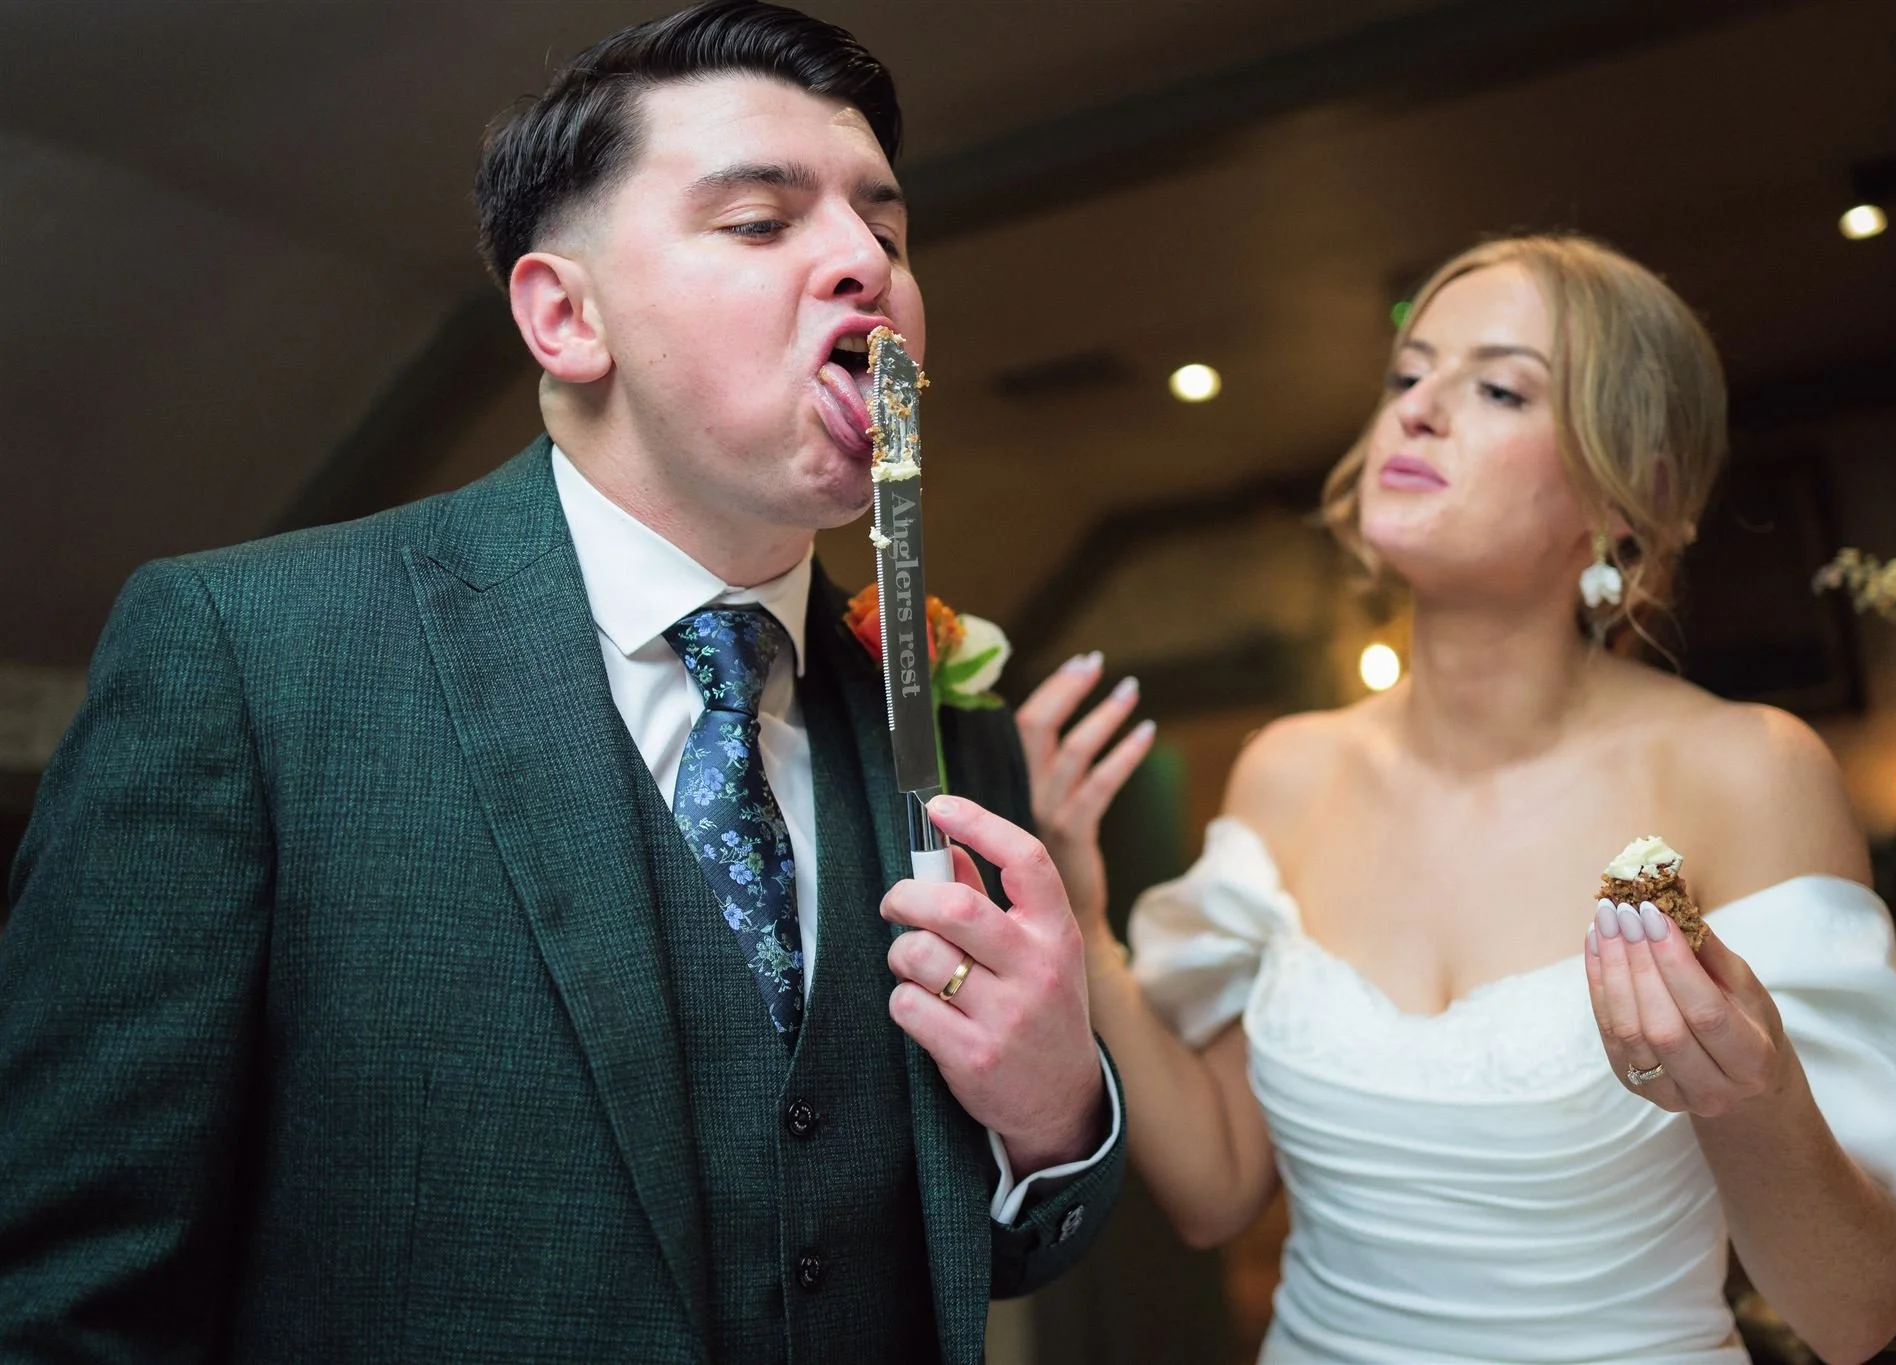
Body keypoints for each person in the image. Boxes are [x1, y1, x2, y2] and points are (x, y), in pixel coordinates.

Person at [0, 5, 1123, 1360]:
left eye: (884, 231)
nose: (863, 264)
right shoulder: (248, 657)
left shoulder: (945, 730)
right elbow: (63, 1288)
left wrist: (1059, 1115)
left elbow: (969, 1245)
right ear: (565, 315)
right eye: (763, 222)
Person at [1022, 234, 1896, 1363]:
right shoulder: (1290, 771)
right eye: (1406, 374)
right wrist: (1082, 931)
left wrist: (1746, 1089)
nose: (1419, 410)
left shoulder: (1746, 772)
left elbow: (1852, 1315)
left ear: (1628, 495)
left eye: (1496, 386)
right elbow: (1217, 1188)